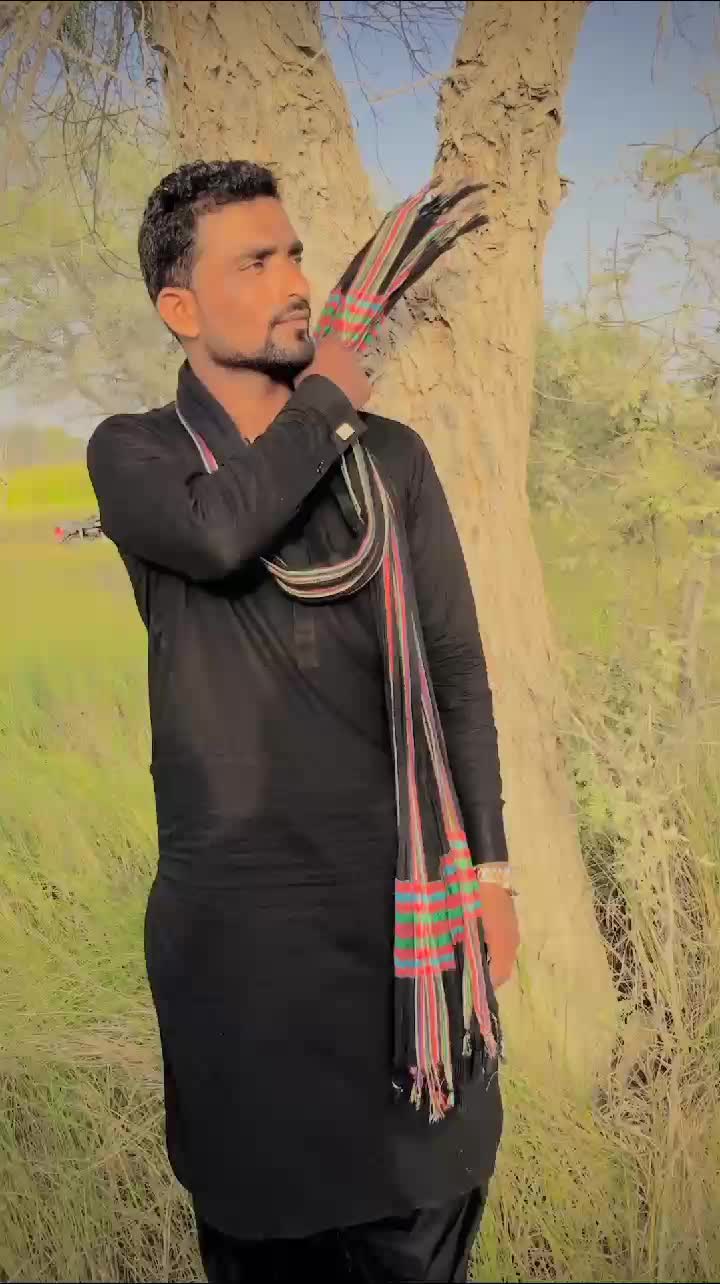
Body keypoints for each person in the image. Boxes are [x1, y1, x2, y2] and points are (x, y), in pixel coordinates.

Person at [87, 159, 520, 1283]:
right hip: (240, 961)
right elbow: (220, 534)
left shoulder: (392, 459)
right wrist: (327, 398)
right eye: (254, 263)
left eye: (293, 255)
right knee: (264, 1241)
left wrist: (491, 873)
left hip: (402, 940)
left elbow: (456, 671)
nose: (293, 283)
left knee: (421, 1228)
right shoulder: (137, 455)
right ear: (180, 308)